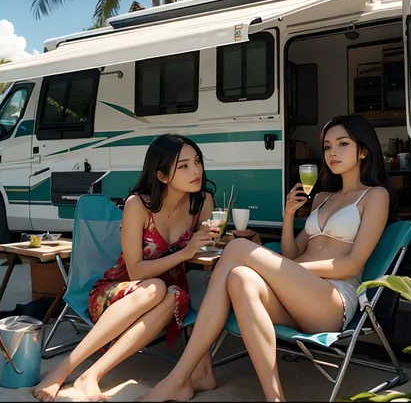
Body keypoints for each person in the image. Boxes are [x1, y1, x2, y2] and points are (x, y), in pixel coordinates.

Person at [142, 114, 395, 402]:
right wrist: (289, 218)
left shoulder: (375, 196)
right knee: (239, 278)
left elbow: (352, 264)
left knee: (236, 250)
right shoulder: (323, 196)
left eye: (342, 144)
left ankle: (180, 377)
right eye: (327, 146)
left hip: (332, 300)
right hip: (297, 296)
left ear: (363, 151)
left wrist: (286, 268)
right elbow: (291, 254)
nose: (332, 153)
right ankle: (274, 398)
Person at [33, 134, 222, 402]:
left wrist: (211, 240)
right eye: (184, 165)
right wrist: (186, 251)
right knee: (156, 288)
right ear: (163, 175)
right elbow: (136, 271)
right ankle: (64, 369)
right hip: (117, 293)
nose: (196, 171)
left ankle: (91, 376)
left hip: (167, 293)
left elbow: (204, 251)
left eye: (198, 162)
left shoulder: (201, 204)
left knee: (174, 294)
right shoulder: (138, 205)